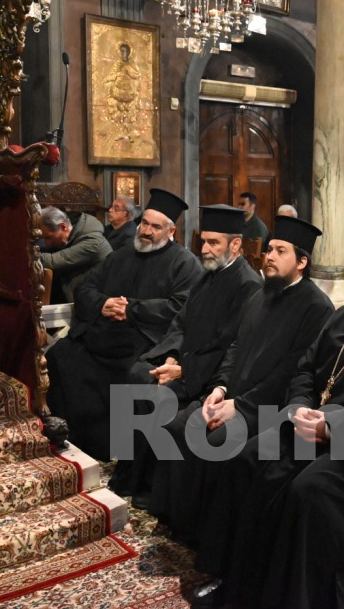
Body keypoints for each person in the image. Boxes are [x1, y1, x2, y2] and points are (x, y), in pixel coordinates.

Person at [190, 213, 344, 609]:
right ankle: (240, 583)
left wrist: (331, 427)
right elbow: (305, 370)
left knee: (307, 490)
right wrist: (299, 408)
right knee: (246, 458)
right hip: (315, 430)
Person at [149, 215, 333, 544]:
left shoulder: (317, 307)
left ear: (302, 262)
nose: (269, 256)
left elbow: (292, 372)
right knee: (176, 427)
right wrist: (219, 388)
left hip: (268, 408)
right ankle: (178, 520)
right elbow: (234, 347)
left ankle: (208, 537)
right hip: (233, 397)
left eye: (280, 251)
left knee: (215, 441)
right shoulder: (260, 295)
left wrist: (240, 406)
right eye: (269, 249)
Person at [109, 205, 262, 507]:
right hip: (186, 362)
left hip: (210, 377)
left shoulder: (248, 285)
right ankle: (130, 477)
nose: (204, 250)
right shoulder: (208, 275)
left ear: (235, 245)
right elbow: (181, 322)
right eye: (203, 241)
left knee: (156, 393)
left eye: (213, 243)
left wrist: (183, 370)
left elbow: (229, 345)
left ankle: (152, 488)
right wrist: (170, 356)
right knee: (136, 374)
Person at [45, 189, 203, 461]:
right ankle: (72, 439)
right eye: (145, 224)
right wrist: (103, 303)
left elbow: (180, 307)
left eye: (156, 227)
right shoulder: (120, 255)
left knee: (129, 372)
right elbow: (85, 289)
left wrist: (132, 309)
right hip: (103, 335)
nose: (147, 231)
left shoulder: (185, 263)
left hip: (145, 340)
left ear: (171, 231)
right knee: (60, 355)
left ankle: (116, 449)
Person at [38, 206, 112, 304]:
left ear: (63, 226)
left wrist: (25, 256)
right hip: (77, 296)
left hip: (95, 302)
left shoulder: (92, 242)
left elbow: (52, 261)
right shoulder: (72, 234)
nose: (47, 243)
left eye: (49, 237)